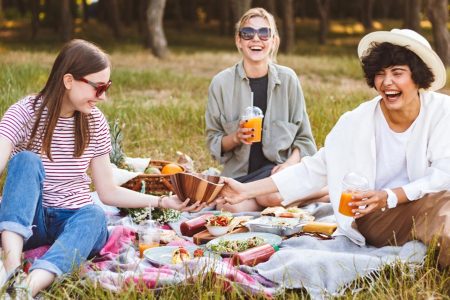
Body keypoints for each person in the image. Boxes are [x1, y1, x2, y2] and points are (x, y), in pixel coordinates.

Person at [218, 29, 450, 268]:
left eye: (397, 73)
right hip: (376, 217)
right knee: (443, 211)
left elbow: (444, 175)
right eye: (380, 74)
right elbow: (313, 170)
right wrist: (245, 191)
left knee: (441, 204)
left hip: (430, 202)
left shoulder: (442, 111)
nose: (387, 82)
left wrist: (391, 196)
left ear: (418, 77)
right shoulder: (356, 121)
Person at [0, 39, 204, 298]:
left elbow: (107, 191)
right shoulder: (25, 111)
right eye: (98, 87)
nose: (103, 96)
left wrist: (164, 201)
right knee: (25, 160)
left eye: (107, 87)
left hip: (74, 221)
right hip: (31, 222)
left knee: (95, 215)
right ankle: (12, 268)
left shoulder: (94, 122)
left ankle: (26, 288)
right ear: (68, 80)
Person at [205, 7, 324, 212]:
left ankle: (323, 192)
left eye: (264, 32)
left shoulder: (288, 80)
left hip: (278, 174)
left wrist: (288, 167)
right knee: (229, 208)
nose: (256, 39)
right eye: (248, 33)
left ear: (274, 40)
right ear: (238, 41)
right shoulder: (221, 83)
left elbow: (304, 140)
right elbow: (213, 142)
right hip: (241, 177)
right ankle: (308, 196)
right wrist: (236, 137)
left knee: (272, 194)